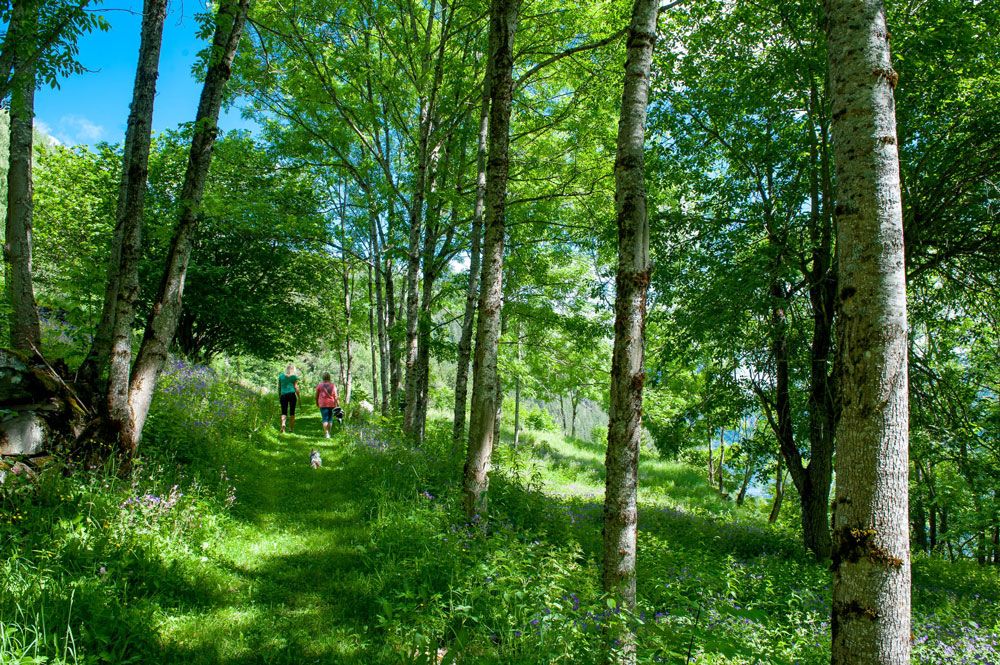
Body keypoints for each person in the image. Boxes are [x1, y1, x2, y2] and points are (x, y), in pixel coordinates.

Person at [315, 372, 340, 439]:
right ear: (329, 377)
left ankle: (326, 434)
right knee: (330, 419)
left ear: (323, 377)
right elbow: (336, 396)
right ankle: (329, 433)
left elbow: (316, 395)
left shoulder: (320, 385)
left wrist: (317, 403)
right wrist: (338, 404)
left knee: (325, 419)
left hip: (323, 404)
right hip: (332, 404)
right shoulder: (333, 385)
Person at [278, 363, 300, 433]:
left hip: (283, 395)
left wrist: (279, 395)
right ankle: (291, 429)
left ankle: (283, 424)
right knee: (292, 412)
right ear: (293, 370)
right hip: (291, 395)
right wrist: (299, 397)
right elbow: (296, 387)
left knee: (283, 411)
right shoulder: (294, 377)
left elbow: (279, 387)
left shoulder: (281, 376)